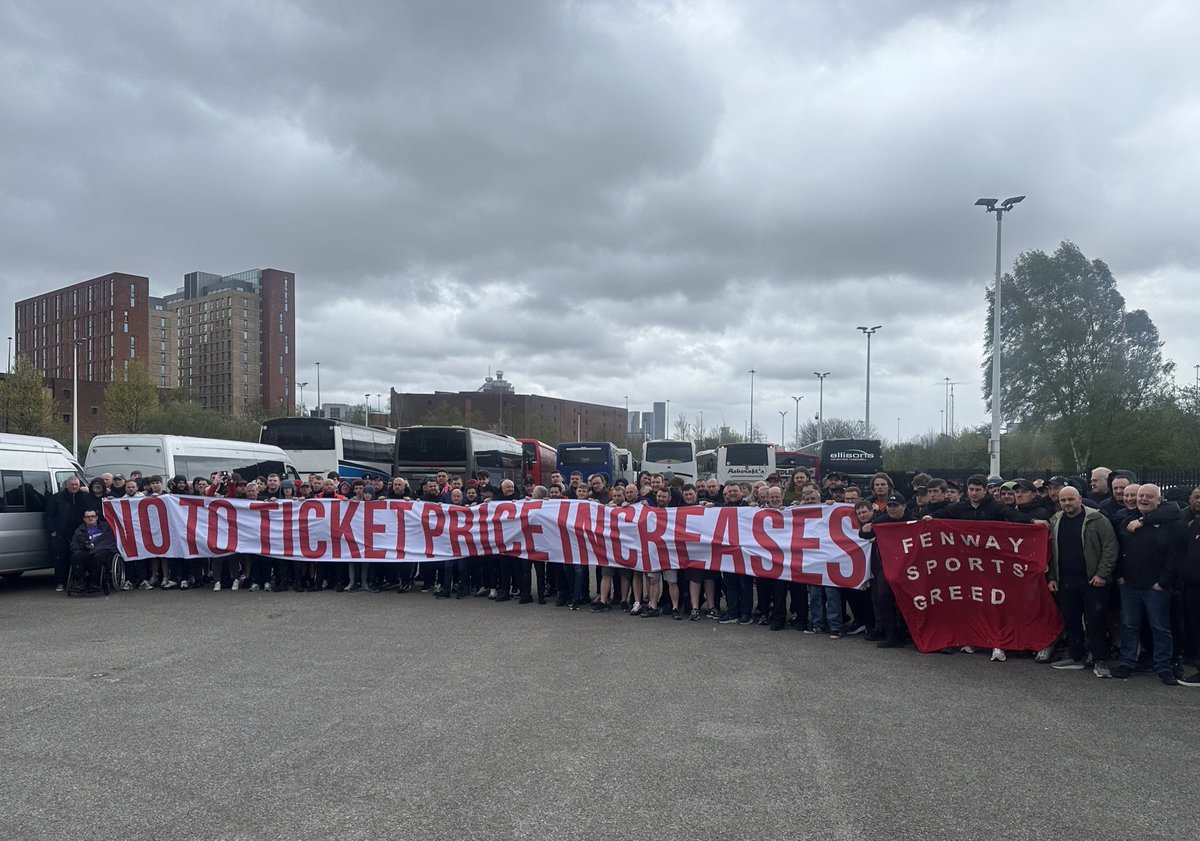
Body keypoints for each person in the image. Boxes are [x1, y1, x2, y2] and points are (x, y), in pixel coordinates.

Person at [1114, 484, 1184, 685]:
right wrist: (1119, 576)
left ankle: (1163, 666)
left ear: (1159, 500)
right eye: (1140, 495)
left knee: (1160, 627)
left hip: (1156, 587)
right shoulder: (1127, 521)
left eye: (1149, 496)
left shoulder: (1171, 523)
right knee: (1129, 626)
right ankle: (1127, 663)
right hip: (1129, 585)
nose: (1143, 499)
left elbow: (1175, 556)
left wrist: (1163, 582)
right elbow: (1118, 550)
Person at [1046, 486, 1118, 677]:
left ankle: (1100, 660)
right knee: (1072, 620)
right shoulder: (1056, 520)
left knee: (1096, 621)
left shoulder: (1098, 519)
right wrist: (1052, 576)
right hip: (1066, 581)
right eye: (1063, 500)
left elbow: (1110, 548)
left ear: (1080, 499)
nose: (1067, 503)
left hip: (1093, 581)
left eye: (1071, 499)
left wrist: (1102, 574)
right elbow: (1052, 552)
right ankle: (1076, 656)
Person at [45, 477, 89, 592]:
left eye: (76, 484)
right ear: (66, 485)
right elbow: (49, 516)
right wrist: (52, 531)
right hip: (61, 535)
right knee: (60, 559)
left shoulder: (84, 497)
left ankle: (75, 581)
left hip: (79, 534)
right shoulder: (56, 498)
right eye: (72, 484)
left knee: (76, 558)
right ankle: (60, 582)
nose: (74, 487)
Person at [68, 509, 117, 594]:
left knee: (98, 556)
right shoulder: (79, 530)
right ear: (84, 519)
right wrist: (84, 546)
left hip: (101, 550)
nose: (90, 518)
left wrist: (94, 548)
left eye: (92, 516)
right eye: (87, 517)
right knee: (76, 556)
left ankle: (94, 583)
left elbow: (109, 542)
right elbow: (73, 545)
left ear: (97, 517)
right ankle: (80, 582)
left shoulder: (106, 528)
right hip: (85, 551)